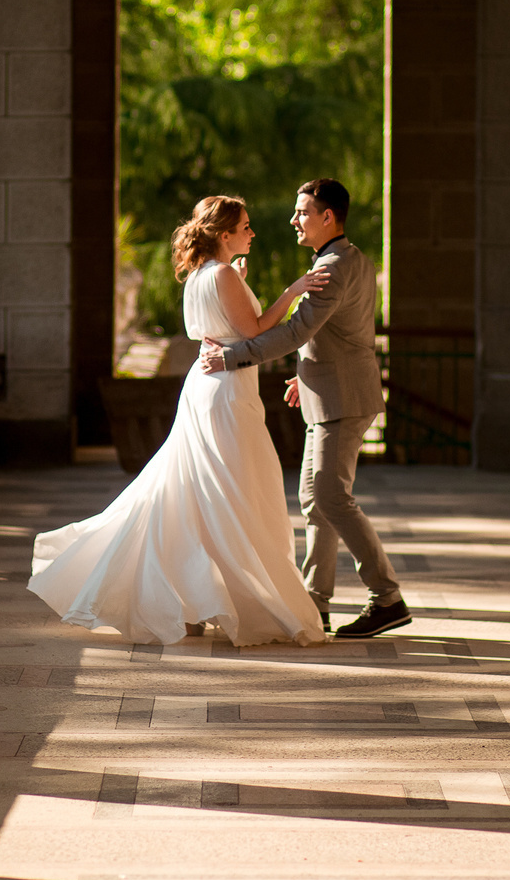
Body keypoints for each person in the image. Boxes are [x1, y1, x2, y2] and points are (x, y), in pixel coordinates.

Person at [28, 196, 331, 646]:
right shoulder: (223, 273)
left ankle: (192, 601)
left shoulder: (202, 275)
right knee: (231, 491)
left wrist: (243, 287)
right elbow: (254, 332)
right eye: (245, 227)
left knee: (204, 491)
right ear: (224, 234)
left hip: (212, 387)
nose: (252, 233)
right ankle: (217, 600)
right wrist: (294, 290)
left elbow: (229, 323)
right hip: (225, 391)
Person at [199, 178, 409, 640]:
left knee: (331, 497)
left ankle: (387, 598)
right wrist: (307, 373)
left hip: (343, 399)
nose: (294, 220)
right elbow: (342, 332)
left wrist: (232, 356)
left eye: (303, 212)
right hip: (331, 390)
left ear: (327, 217)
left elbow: (297, 330)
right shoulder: (347, 258)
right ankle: (316, 602)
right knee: (316, 501)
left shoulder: (332, 266)